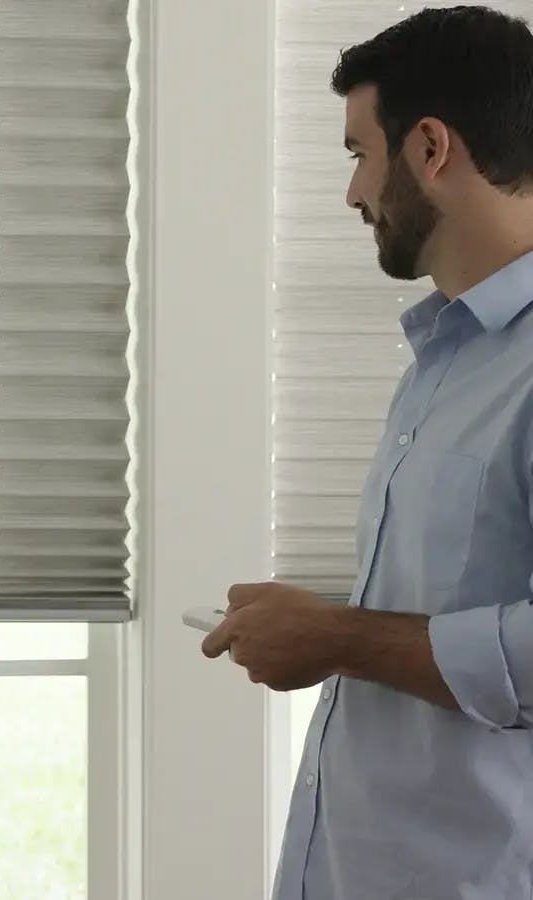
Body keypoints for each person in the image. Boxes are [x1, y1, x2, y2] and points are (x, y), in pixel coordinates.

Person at [199, 6, 533, 898]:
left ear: (430, 148)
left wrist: (337, 636)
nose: (351, 194)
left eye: (358, 154)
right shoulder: (441, 363)